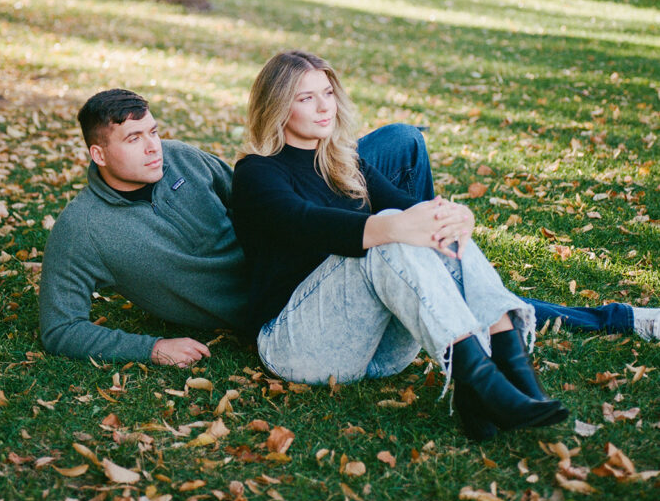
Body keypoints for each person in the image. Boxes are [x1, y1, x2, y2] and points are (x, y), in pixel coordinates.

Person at [39, 87, 660, 375]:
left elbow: (262, 210)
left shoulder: (182, 159)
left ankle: (440, 266)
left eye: (153, 131)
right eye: (132, 140)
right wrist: (150, 348)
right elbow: (61, 328)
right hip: (286, 295)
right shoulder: (82, 231)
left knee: (401, 143)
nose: (154, 149)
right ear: (97, 155)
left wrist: (392, 218)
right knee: (403, 245)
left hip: (292, 250)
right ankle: (467, 285)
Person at [230, 53, 572, 438]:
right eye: (306, 98)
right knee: (389, 234)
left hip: (378, 349)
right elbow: (305, 223)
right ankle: (480, 380)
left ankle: (509, 363)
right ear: (277, 107)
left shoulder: (346, 162)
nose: (325, 106)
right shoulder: (256, 172)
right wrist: (395, 226)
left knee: (428, 223)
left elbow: (413, 210)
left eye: (328, 92)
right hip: (297, 348)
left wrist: (457, 218)